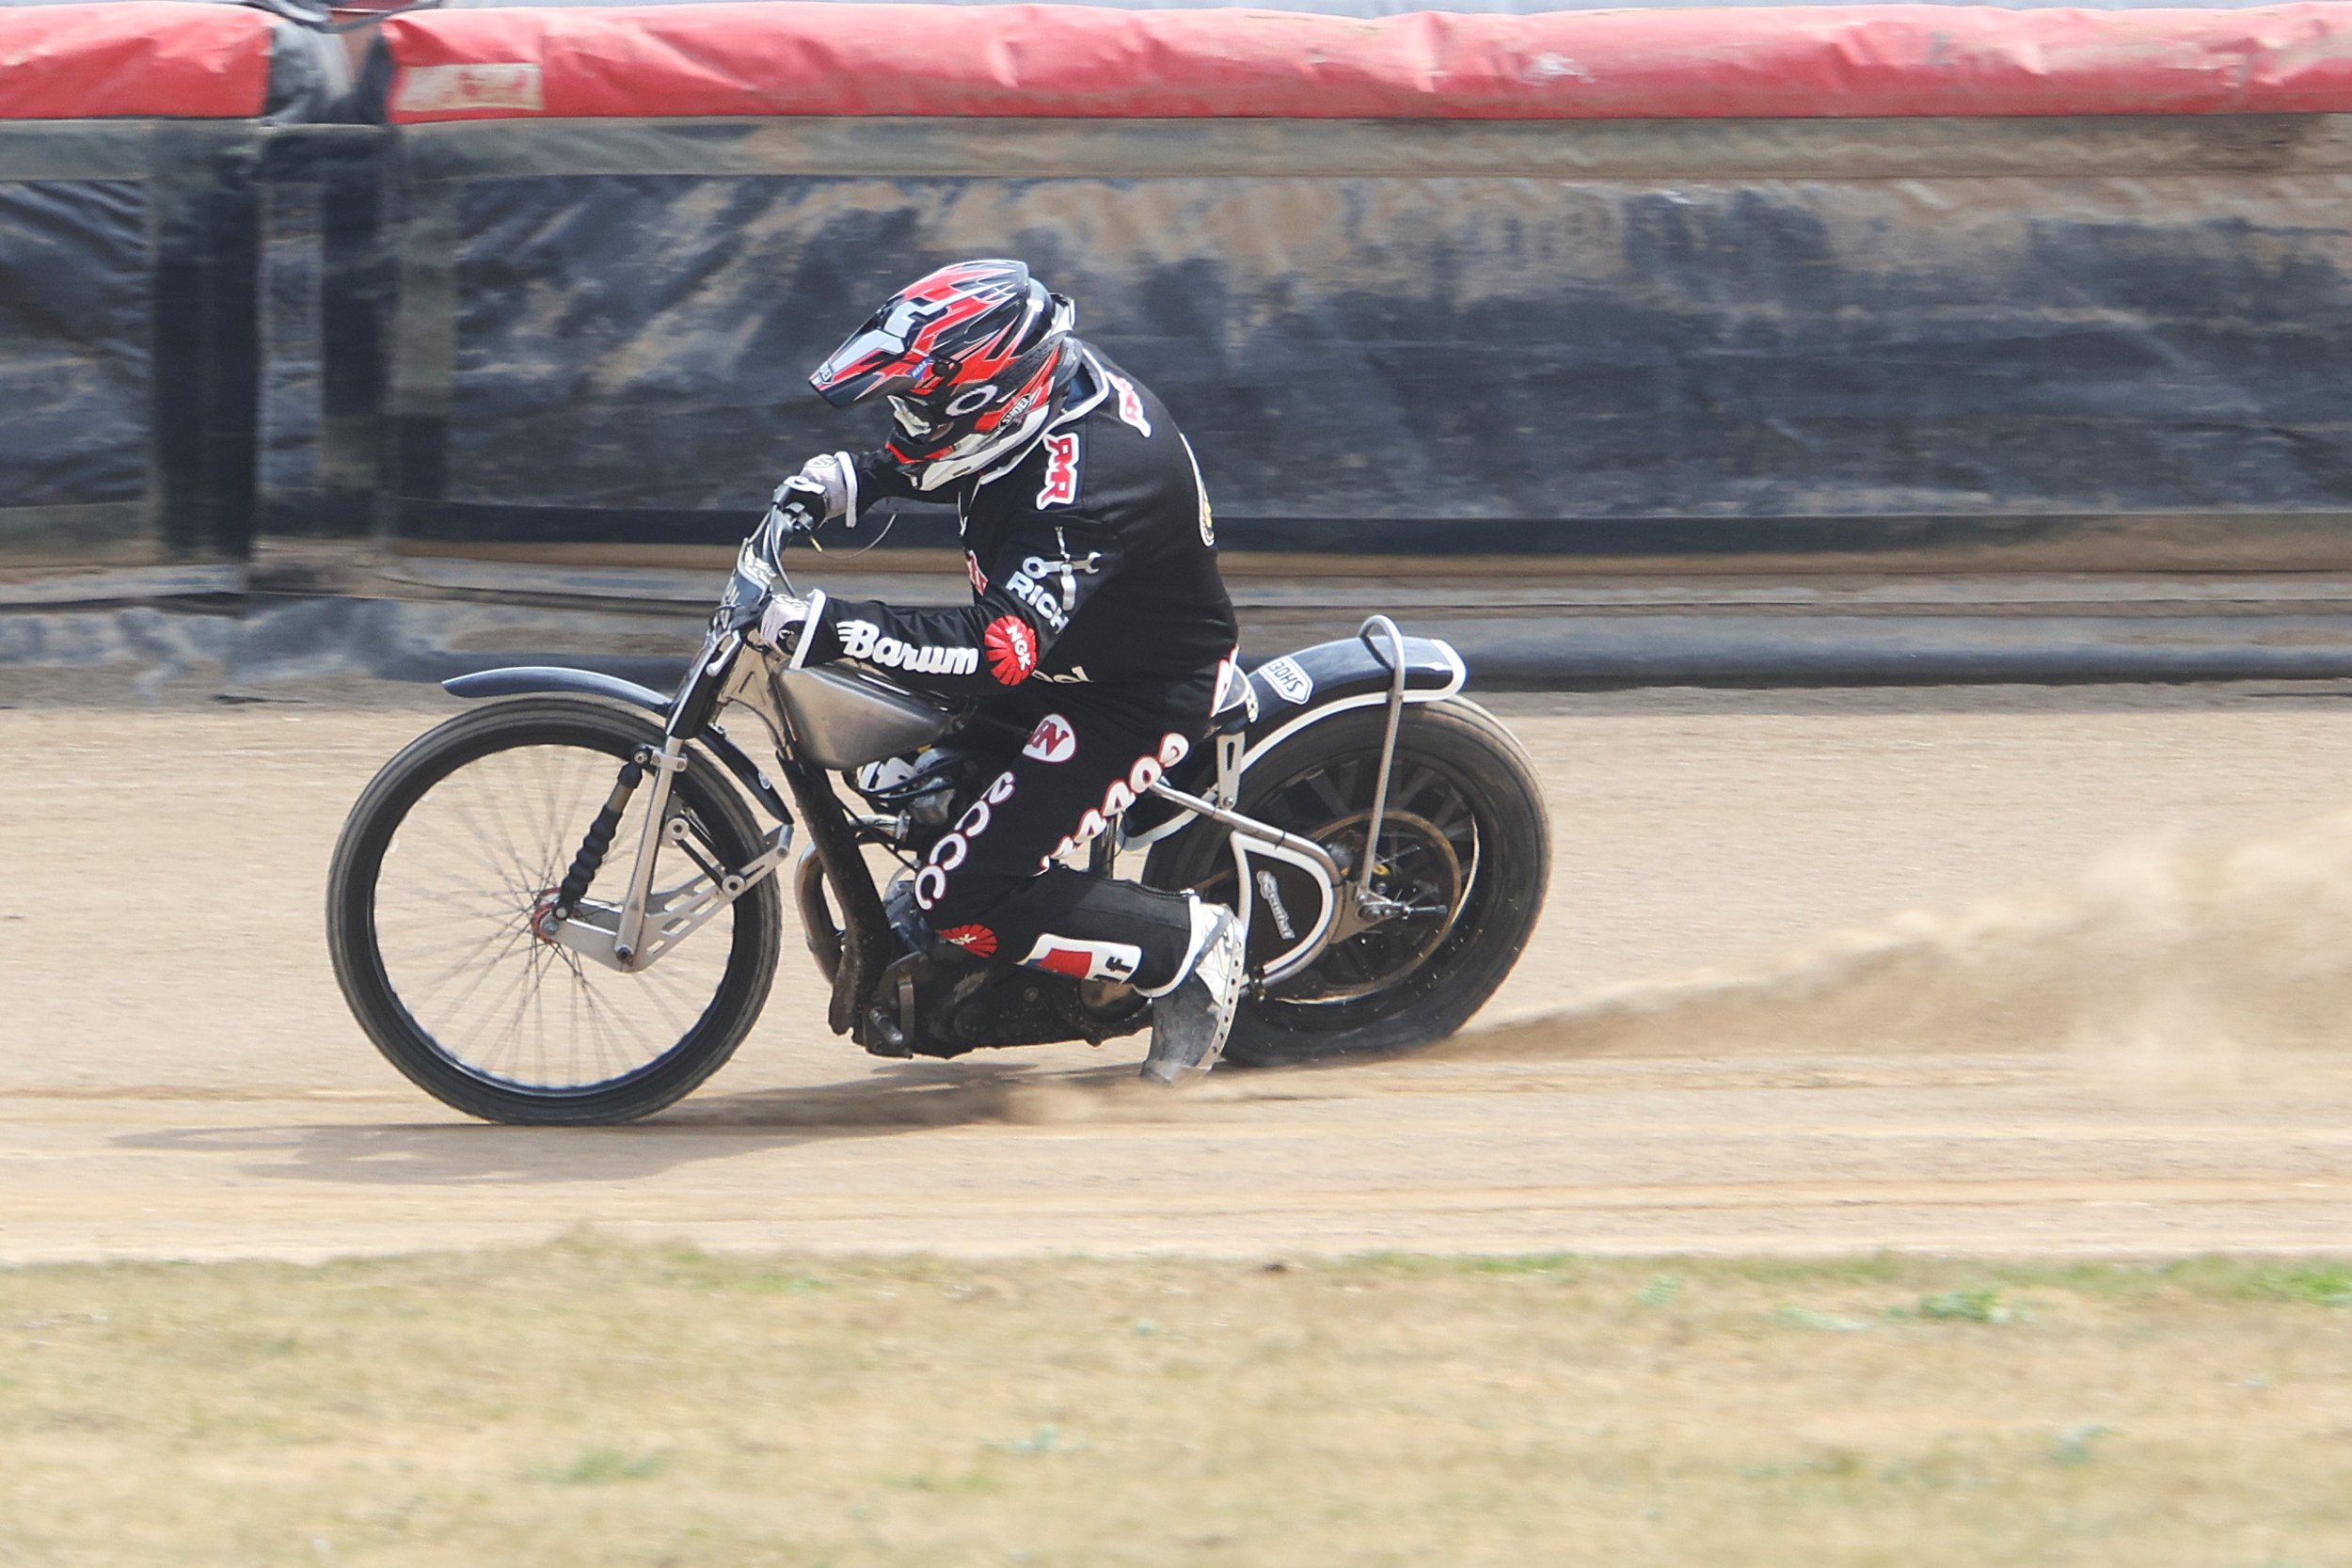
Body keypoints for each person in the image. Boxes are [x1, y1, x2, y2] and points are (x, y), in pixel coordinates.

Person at [748, 259, 1248, 1082]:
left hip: (1132, 695)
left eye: (918, 405)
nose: (906, 421)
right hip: (1069, 661)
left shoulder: (1091, 479)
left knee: (961, 898)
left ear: (989, 397)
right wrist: (865, 477)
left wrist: (833, 626)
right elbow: (968, 453)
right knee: (905, 783)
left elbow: (999, 647)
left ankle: (1188, 945)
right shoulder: (1042, 384)